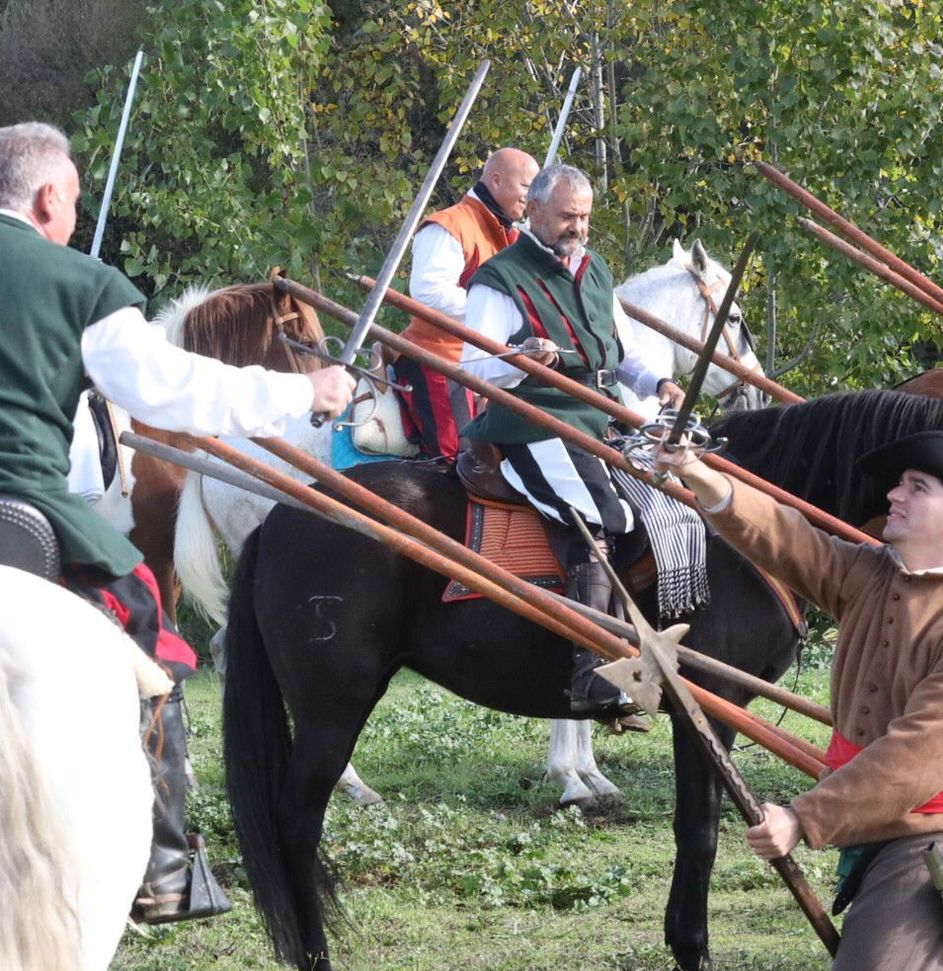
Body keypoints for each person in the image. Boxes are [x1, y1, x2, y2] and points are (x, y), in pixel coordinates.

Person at [0, 121, 354, 923]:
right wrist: (303, 392)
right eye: (75, 204)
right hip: (21, 508)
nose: (75, 221)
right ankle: (163, 869)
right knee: (152, 653)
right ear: (50, 195)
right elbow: (172, 390)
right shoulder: (77, 283)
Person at [655, 429, 943, 971]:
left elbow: (914, 759)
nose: (894, 495)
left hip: (931, 838)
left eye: (918, 487)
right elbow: (790, 539)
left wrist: (804, 817)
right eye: (900, 483)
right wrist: (701, 474)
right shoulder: (875, 573)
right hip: (882, 828)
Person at [460, 164, 685, 718]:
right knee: (596, 517)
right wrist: (518, 361)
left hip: (604, 420)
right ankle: (592, 673)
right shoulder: (500, 277)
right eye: (567, 216)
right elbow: (475, 370)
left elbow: (622, 353)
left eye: (584, 216)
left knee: (668, 506)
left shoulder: (596, 268)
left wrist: (658, 384)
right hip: (534, 422)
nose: (577, 227)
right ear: (532, 211)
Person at [394, 147, 539, 459]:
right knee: (458, 455)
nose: (531, 196)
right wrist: (497, 311)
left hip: (486, 364)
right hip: (440, 360)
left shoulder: (512, 235)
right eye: (527, 186)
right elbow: (428, 291)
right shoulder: (449, 224)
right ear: (497, 180)